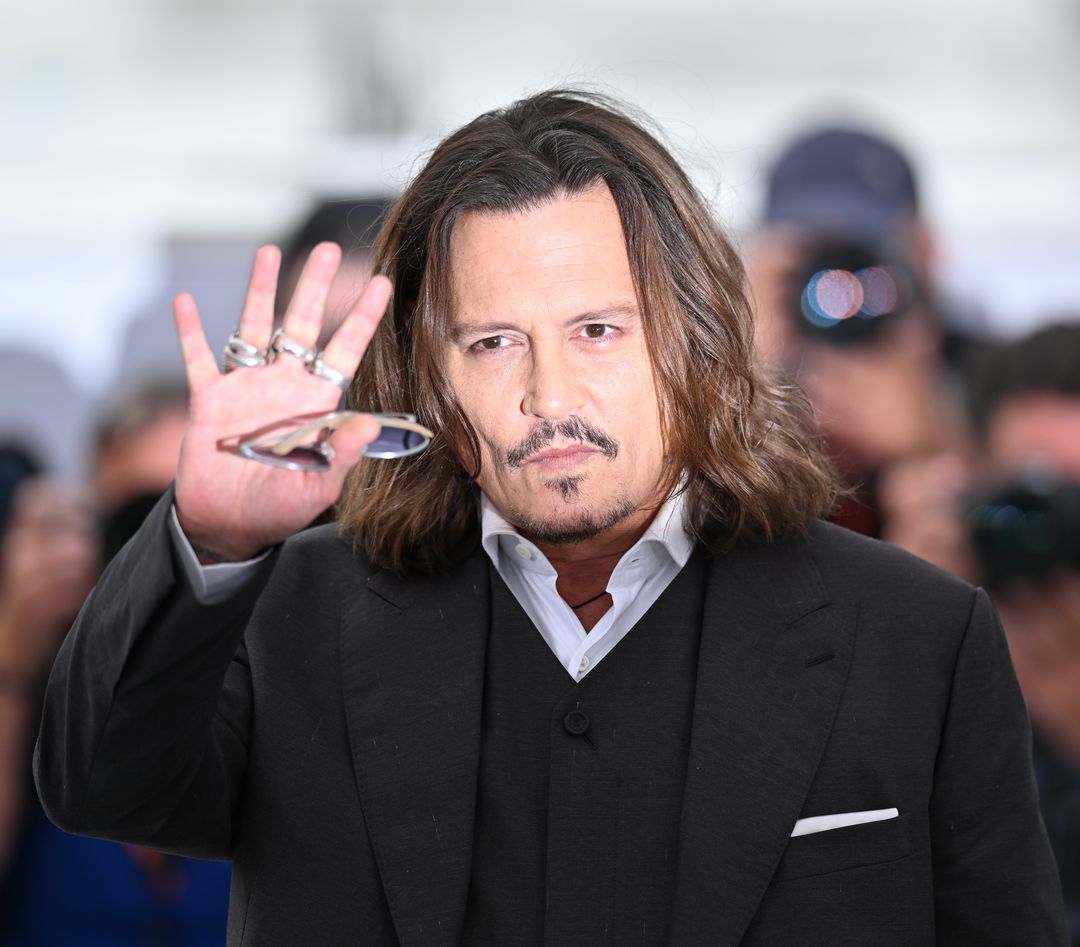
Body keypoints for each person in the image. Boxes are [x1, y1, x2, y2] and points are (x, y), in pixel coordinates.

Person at [35, 91, 1065, 946]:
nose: (548, 393)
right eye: (491, 342)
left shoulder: (921, 639)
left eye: (598, 329)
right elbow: (98, 786)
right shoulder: (292, 614)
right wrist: (211, 536)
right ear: (427, 376)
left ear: (695, 338)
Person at [1, 383, 230, 945]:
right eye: (137, 515)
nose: (160, 545)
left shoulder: (278, 645)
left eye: (186, 512)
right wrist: (14, 660)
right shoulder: (34, 663)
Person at [744, 125, 970, 538]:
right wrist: (745, 363)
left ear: (923, 254)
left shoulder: (982, 364)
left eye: (865, 257)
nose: (843, 286)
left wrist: (932, 440)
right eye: (813, 259)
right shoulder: (735, 365)